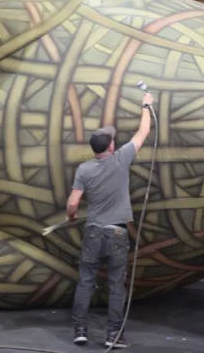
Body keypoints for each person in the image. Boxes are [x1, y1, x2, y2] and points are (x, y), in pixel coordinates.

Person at [66, 91, 154, 348]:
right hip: (116, 233)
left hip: (93, 232)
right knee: (116, 286)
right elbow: (144, 131)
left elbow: (73, 203)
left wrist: (71, 216)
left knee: (86, 281)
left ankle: (80, 330)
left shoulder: (84, 169)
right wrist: (146, 105)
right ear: (111, 146)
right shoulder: (121, 159)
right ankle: (113, 336)